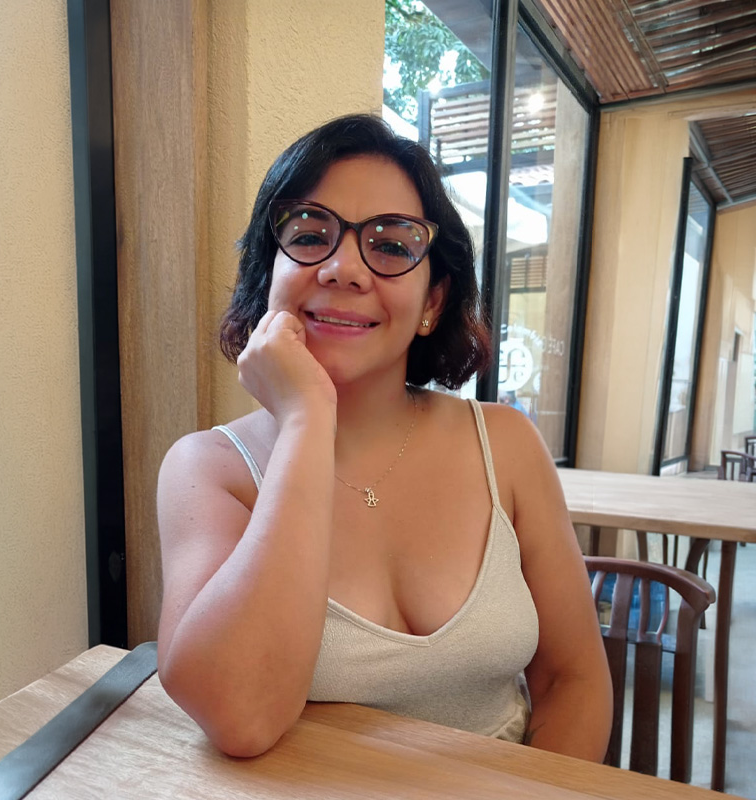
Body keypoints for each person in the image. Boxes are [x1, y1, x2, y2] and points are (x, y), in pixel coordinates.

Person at [156, 114, 612, 761]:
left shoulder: (507, 444)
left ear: (433, 302)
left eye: (392, 246)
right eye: (309, 235)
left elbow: (574, 681)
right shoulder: (207, 469)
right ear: (268, 276)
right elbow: (240, 717)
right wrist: (307, 418)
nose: (344, 268)